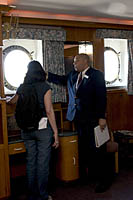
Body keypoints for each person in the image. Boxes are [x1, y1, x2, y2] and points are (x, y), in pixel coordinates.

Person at [48, 53, 113, 193]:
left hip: (93, 118)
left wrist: (102, 117)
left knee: (98, 149)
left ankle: (104, 180)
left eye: (76, 61)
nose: (74, 64)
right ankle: (89, 176)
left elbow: (102, 97)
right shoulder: (72, 75)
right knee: (84, 149)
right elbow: (61, 79)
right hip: (78, 118)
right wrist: (47, 75)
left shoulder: (96, 75)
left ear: (85, 61)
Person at [7, 60, 59, 200]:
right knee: (42, 163)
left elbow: (12, 101)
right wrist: (55, 132)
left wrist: (4, 100)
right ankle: (42, 195)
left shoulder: (22, 87)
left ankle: (32, 194)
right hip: (42, 130)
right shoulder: (45, 87)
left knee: (31, 161)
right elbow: (49, 111)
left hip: (26, 129)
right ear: (41, 72)